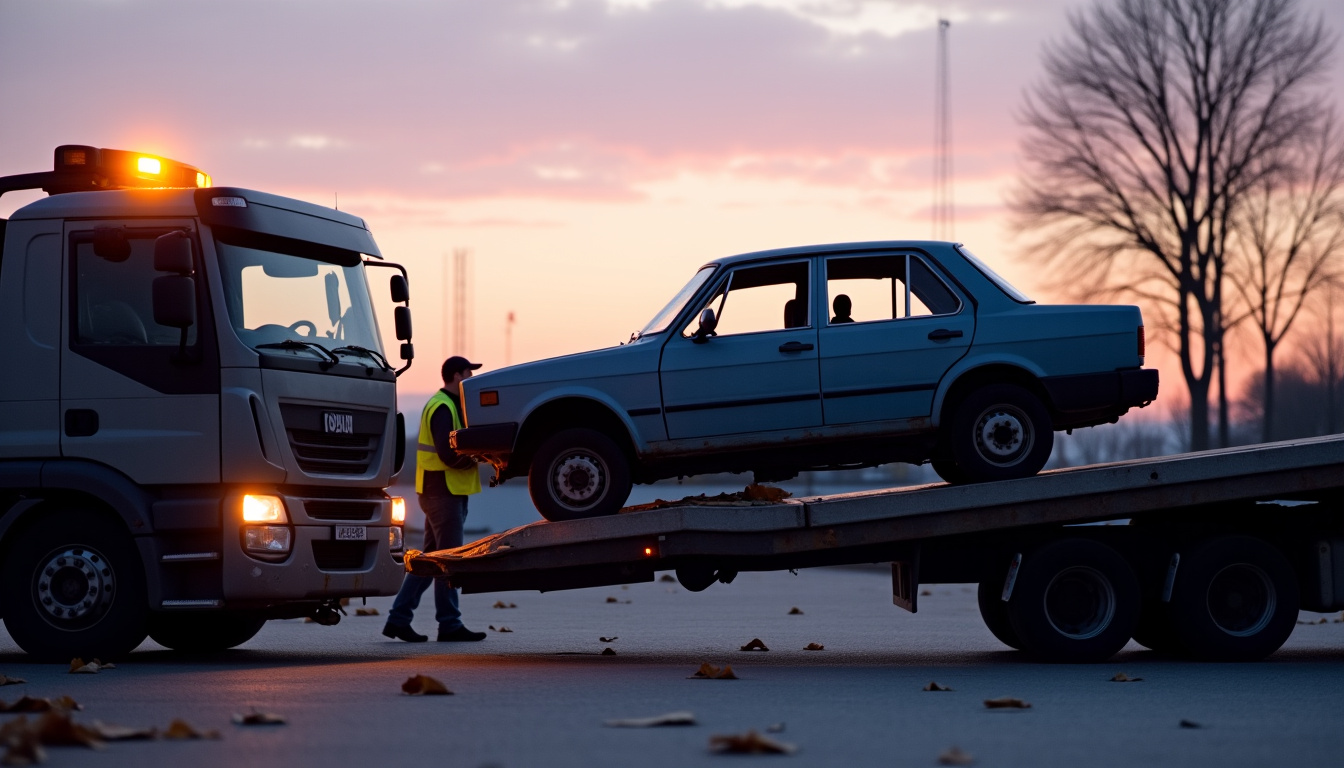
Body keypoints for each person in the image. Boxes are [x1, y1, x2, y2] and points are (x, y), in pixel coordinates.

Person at [382, 356, 487, 643]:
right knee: (448, 561)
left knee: (430, 561)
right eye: (469, 373)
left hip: (439, 493)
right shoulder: (443, 406)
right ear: (456, 376)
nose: (472, 378)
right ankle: (449, 624)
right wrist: (476, 457)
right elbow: (448, 454)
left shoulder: (448, 404)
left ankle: (398, 619)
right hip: (444, 494)